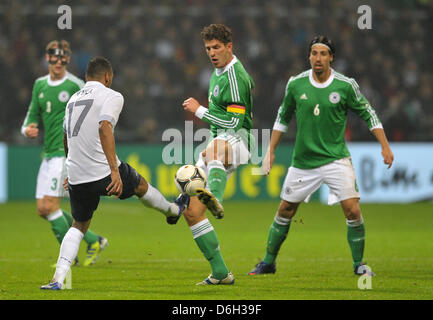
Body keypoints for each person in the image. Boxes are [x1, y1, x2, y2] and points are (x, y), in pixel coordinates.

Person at [248, 35, 394, 277]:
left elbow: (369, 113)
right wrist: (270, 150)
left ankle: (359, 264)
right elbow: (282, 117)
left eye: (323, 54)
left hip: (336, 158)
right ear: (309, 56)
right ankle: (268, 263)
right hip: (303, 162)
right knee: (285, 210)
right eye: (314, 53)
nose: (318, 58)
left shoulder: (345, 85)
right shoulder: (295, 84)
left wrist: (385, 146)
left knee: (353, 211)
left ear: (331, 58)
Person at [40, 56, 188, 290]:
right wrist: (113, 171)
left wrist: (71, 168)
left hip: (78, 174)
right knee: (140, 186)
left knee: (78, 225)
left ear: (87, 77)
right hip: (103, 171)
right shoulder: (112, 95)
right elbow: (104, 127)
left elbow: (66, 136)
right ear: (107, 77)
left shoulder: (72, 101)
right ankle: (173, 210)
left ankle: (57, 280)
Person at [21, 40, 107, 267]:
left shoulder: (76, 84)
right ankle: (93, 240)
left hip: (65, 152)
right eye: (53, 56)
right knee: (43, 209)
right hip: (47, 154)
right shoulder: (39, 85)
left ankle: (71, 260)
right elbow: (32, 114)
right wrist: (27, 128)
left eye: (63, 56)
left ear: (68, 59)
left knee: (50, 206)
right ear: (47, 58)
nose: (58, 60)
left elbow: (99, 107)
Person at [181, 24, 255, 285]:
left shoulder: (235, 77)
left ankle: (215, 196)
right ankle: (221, 273)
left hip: (240, 140)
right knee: (191, 212)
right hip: (220, 140)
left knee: (212, 152)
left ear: (229, 47)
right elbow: (221, 122)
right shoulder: (217, 73)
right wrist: (213, 144)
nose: (212, 52)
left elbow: (235, 123)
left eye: (216, 47)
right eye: (208, 48)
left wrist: (199, 111)